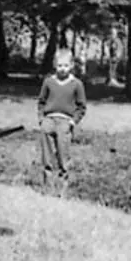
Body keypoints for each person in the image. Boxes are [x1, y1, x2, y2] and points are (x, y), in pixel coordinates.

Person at [36, 51, 87, 195]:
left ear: (71, 66)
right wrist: (41, 119)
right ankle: (47, 187)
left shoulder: (76, 84)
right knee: (47, 155)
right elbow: (41, 101)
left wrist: (73, 121)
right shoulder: (49, 82)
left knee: (63, 155)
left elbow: (81, 106)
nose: (62, 68)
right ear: (54, 65)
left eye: (65, 65)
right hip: (49, 120)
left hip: (65, 122)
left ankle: (62, 189)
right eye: (59, 65)